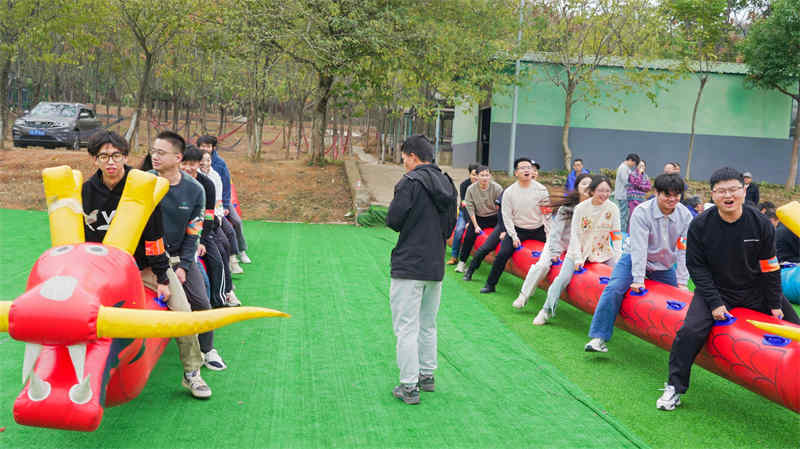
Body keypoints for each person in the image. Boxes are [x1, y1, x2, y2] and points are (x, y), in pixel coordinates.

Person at [81, 130, 211, 399]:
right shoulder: (87, 191)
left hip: (145, 267)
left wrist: (163, 277)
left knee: (184, 312)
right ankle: (82, 376)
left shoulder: (140, 184)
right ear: (94, 160)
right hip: (105, 270)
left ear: (126, 156)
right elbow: (86, 237)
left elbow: (154, 236)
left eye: (116, 155)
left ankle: (192, 373)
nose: (111, 162)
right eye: (103, 156)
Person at [657, 167, 800, 411]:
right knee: (689, 332)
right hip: (716, 289)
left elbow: (770, 267)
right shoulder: (701, 225)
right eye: (721, 191)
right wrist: (714, 303)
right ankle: (674, 387)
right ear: (712, 195)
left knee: (794, 325)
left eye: (733, 189)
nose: (728, 195)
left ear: (744, 191)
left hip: (754, 289)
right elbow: (696, 267)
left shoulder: (761, 224)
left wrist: (775, 304)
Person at [385, 134, 457, 405]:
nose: (403, 161)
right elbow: (450, 227)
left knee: (406, 328)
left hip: (409, 264)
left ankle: (408, 385)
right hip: (435, 264)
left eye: (404, 156)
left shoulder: (409, 182)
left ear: (413, 156)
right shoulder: (449, 184)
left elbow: (394, 220)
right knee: (428, 324)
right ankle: (426, 376)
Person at [585, 173, 692, 353]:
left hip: (663, 265)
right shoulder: (642, 212)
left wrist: (682, 282)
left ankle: (677, 342)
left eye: (676, 195)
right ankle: (599, 337)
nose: (672, 199)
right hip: (633, 258)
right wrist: (638, 279)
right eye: (667, 194)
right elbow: (639, 247)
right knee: (614, 288)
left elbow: (683, 249)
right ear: (656, 193)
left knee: (677, 301)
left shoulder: (685, 216)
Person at [150, 131, 228, 373]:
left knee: (201, 301)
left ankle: (207, 350)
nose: (155, 157)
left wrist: (183, 265)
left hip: (179, 257)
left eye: (161, 153)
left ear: (177, 157)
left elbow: (194, 232)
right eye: (153, 151)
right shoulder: (142, 182)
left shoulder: (195, 190)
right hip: (147, 258)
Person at [534, 175, 622, 325]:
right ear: (592, 191)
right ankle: (546, 310)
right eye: (601, 190)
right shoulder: (581, 208)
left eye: (608, 191)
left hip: (603, 251)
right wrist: (578, 258)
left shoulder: (613, 208)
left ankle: (613, 317)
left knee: (619, 279)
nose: (605, 194)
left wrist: (618, 255)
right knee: (562, 279)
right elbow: (575, 235)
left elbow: (616, 233)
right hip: (578, 250)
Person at [513, 173, 592, 309]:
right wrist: (555, 251)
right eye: (584, 184)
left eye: (591, 185)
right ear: (577, 187)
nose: (587, 187)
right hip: (560, 243)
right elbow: (556, 232)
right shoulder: (567, 208)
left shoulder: (596, 208)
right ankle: (524, 295)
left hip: (579, 248)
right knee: (542, 265)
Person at [479, 158, 549, 294]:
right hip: (518, 229)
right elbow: (507, 216)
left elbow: (546, 214)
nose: (527, 170)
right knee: (502, 254)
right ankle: (490, 284)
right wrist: (514, 236)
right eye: (522, 168)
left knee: (556, 251)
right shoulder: (509, 192)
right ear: (516, 172)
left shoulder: (541, 190)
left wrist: (549, 234)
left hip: (538, 228)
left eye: (528, 167)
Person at [180, 145, 233, 309]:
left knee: (217, 259)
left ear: (199, 164)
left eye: (193, 164)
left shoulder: (207, 184)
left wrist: (202, 240)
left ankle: (220, 297)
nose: (188, 168)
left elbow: (208, 216)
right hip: (179, 233)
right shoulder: (173, 182)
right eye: (185, 163)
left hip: (202, 229)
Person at [197, 135, 252, 267]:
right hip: (204, 205)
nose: (205, 148)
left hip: (220, 201)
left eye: (208, 146)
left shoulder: (219, 164)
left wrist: (225, 206)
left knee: (236, 222)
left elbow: (225, 186)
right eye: (202, 146)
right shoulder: (195, 161)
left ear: (213, 148)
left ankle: (242, 250)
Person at [199, 150, 241, 306]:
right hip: (200, 228)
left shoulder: (213, 177)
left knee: (226, 240)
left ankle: (227, 288)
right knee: (218, 255)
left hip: (212, 221)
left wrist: (218, 216)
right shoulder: (189, 181)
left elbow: (216, 203)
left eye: (207, 160)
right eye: (201, 161)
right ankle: (223, 292)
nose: (204, 164)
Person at [455, 165, 502, 273]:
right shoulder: (471, 189)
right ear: (478, 176)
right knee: (468, 237)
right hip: (479, 217)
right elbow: (470, 208)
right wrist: (475, 226)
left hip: (495, 217)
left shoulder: (497, 188)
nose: (485, 178)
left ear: (490, 176)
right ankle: (462, 263)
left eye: (487, 175)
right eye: (482, 175)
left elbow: (502, 207)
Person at [448, 164, 479, 265]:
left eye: (478, 174)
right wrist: (468, 221)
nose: (476, 177)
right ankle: (454, 256)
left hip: (478, 213)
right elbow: (464, 204)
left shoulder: (483, 185)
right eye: (473, 174)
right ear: (469, 174)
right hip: (464, 212)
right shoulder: (464, 185)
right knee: (459, 230)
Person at [614, 153, 640, 233]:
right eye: (634, 164)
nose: (633, 166)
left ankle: (622, 232)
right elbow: (626, 182)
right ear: (630, 160)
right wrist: (635, 185)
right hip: (623, 195)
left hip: (624, 195)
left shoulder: (626, 168)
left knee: (624, 215)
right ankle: (622, 234)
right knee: (623, 216)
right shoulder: (624, 168)